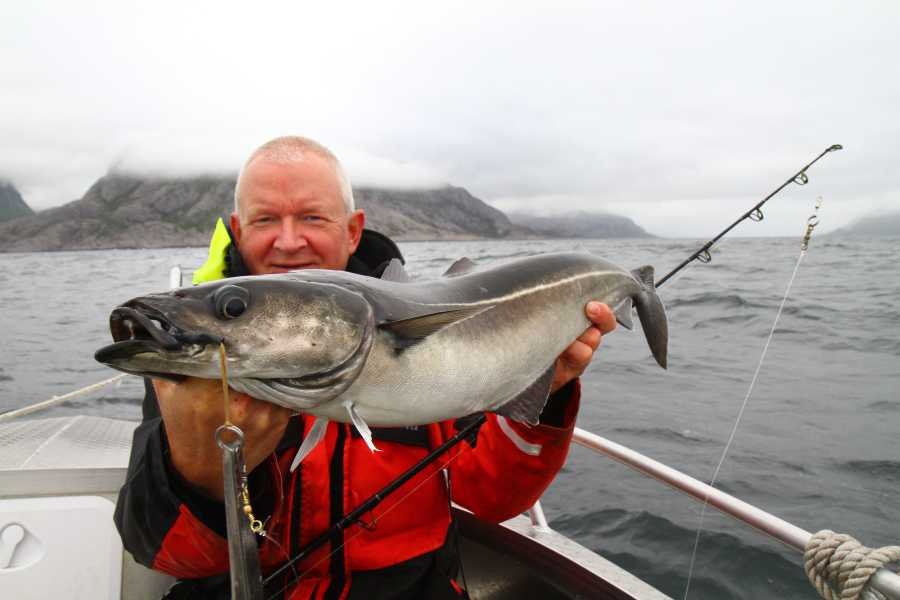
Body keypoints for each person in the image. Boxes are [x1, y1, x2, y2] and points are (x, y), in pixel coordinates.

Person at [114, 136, 617, 600]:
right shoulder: (195, 359)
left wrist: (542, 386)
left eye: (312, 218)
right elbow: (161, 552)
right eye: (266, 220)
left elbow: (489, 498)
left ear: (353, 230)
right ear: (238, 231)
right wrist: (202, 474)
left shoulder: (427, 334)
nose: (289, 242)